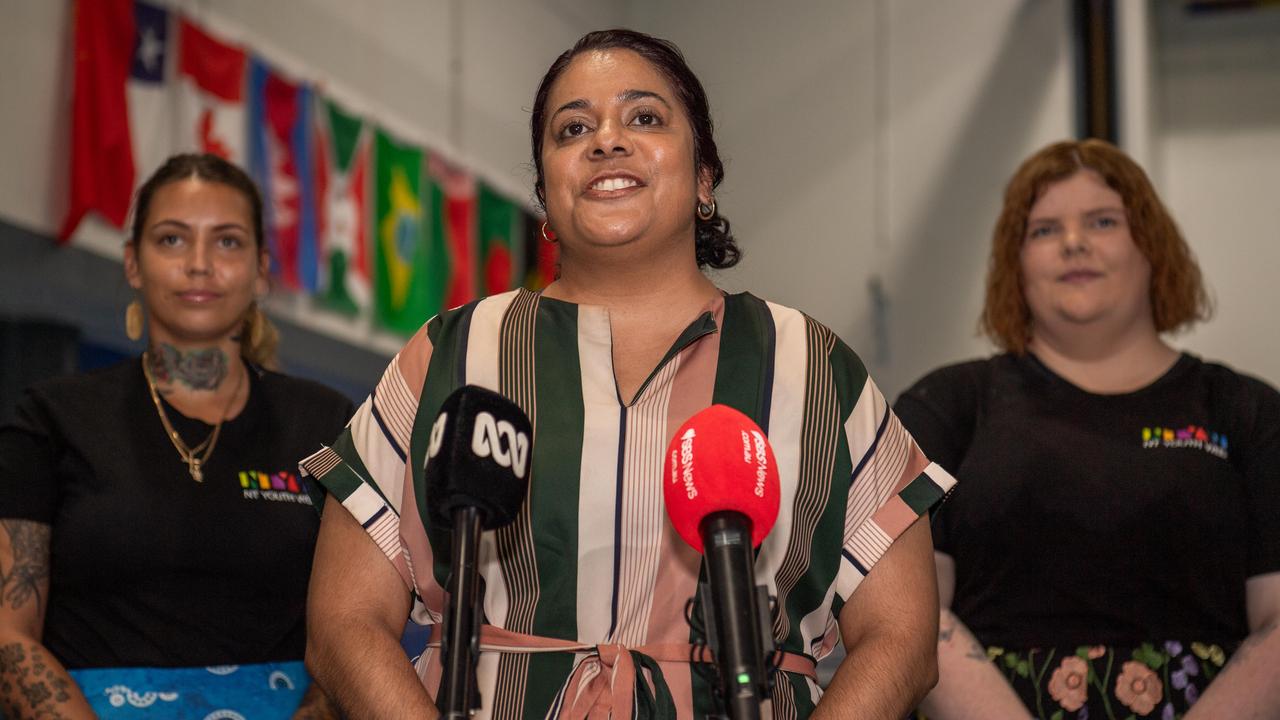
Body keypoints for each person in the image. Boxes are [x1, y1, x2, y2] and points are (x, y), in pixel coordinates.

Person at [304, 28, 955, 720]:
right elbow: (346, 622)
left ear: (705, 176)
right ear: (546, 193)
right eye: (573, 128)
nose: (606, 141)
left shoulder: (813, 365)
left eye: (644, 118)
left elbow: (902, 638)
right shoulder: (454, 353)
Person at [896, 139, 1280, 719]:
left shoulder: (1246, 411)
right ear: (1015, 265)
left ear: (1153, 247)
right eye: (1044, 230)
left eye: (1102, 221)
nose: (1074, 242)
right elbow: (908, 613)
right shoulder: (946, 406)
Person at [0, 154, 353, 718]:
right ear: (133, 264)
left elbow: (362, 621)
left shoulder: (326, 423)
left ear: (261, 269)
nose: (198, 264)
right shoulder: (52, 419)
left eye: (228, 242)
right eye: (171, 239)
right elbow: (8, 634)